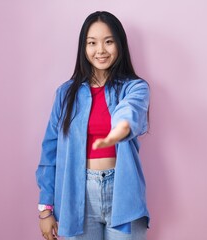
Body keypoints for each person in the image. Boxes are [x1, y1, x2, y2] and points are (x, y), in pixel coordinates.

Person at [36, 11, 150, 240]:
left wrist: (120, 130)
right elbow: (49, 154)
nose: (100, 50)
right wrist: (45, 209)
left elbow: (130, 111)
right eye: (92, 43)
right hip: (76, 194)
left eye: (108, 42)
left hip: (122, 192)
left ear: (119, 45)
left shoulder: (135, 87)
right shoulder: (65, 94)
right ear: (83, 48)